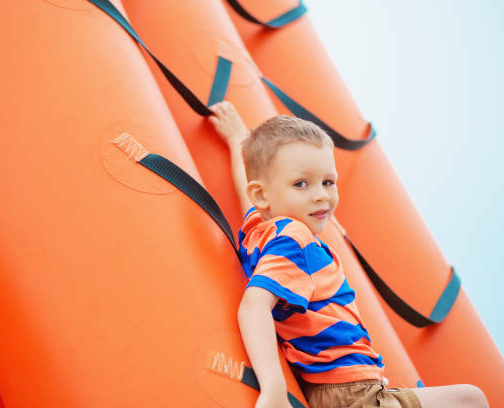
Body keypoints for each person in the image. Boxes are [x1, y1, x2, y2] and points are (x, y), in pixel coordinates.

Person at [208, 101, 489, 408]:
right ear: (263, 194)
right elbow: (253, 306)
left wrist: (238, 139)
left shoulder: (260, 228)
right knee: (471, 401)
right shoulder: (293, 238)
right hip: (350, 392)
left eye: (328, 182)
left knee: (469, 398)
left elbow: (246, 190)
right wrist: (273, 389)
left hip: (355, 389)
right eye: (301, 184)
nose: (321, 194)